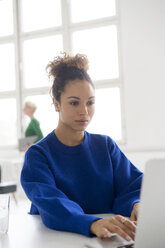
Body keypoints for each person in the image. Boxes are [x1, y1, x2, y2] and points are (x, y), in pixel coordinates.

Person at [21, 53, 143, 241]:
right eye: (74, 103)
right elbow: (51, 203)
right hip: (56, 240)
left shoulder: (106, 145)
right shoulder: (38, 155)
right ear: (56, 103)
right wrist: (91, 223)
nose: (84, 112)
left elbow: (133, 185)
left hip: (108, 238)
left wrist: (137, 204)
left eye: (90, 102)